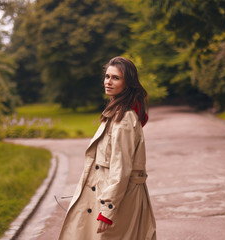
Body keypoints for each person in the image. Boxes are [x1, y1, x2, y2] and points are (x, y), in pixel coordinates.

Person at [58, 56, 156, 240]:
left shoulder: (124, 119)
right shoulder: (117, 112)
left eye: (115, 78)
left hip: (119, 201)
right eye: (107, 76)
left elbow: (121, 169)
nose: (108, 82)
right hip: (111, 196)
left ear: (128, 84)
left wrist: (107, 210)